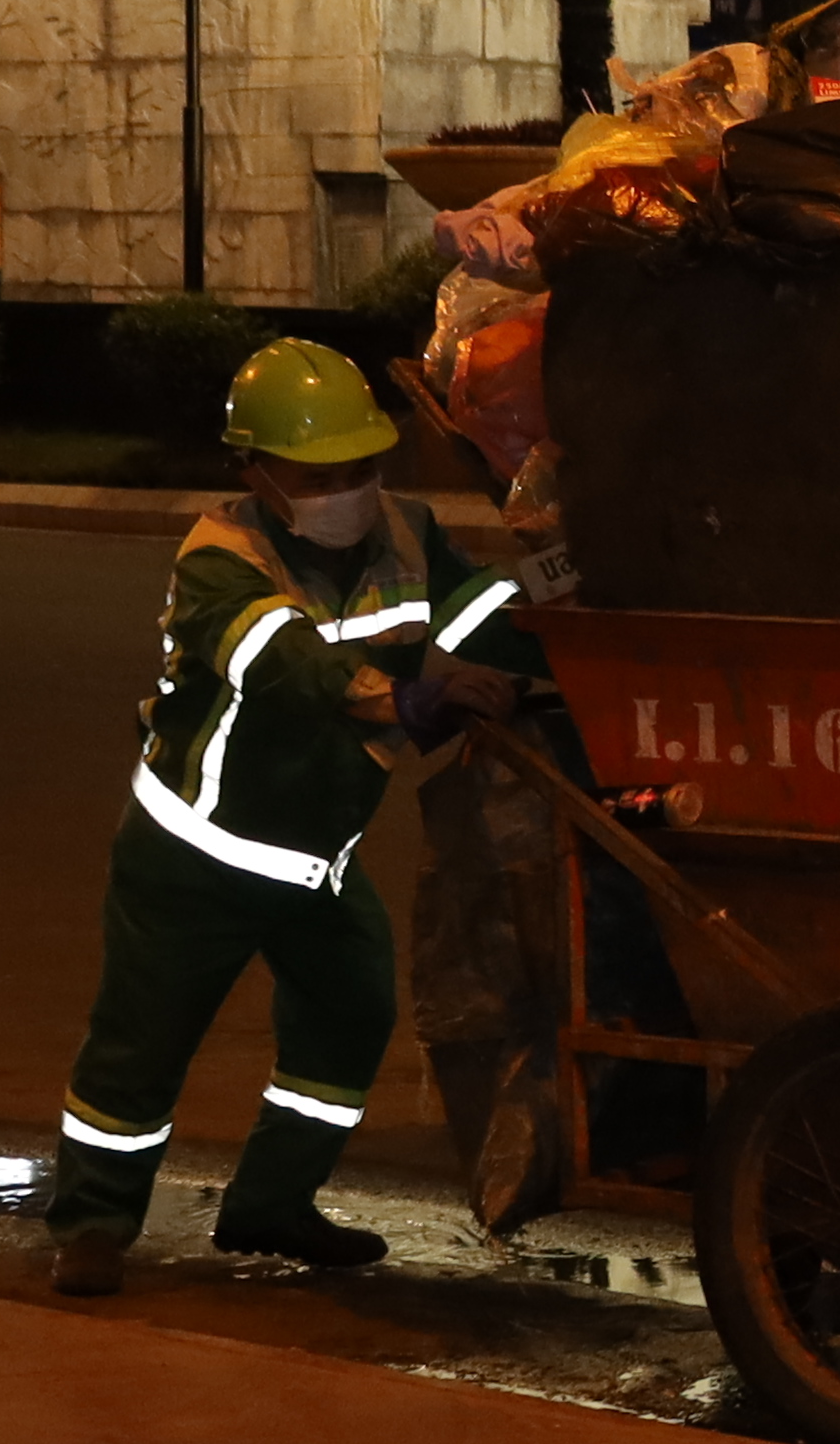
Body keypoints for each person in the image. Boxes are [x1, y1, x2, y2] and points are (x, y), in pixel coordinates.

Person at [35, 339, 547, 1297]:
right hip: (195, 858)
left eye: (360, 467)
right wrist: (407, 703)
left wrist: (563, 647)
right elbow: (286, 668)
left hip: (316, 859)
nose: (345, 489)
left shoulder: (408, 533)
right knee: (141, 1045)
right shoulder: (219, 564)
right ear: (255, 473)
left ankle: (271, 1203)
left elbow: (487, 617)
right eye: (319, 475)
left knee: (350, 1018)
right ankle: (94, 1224)